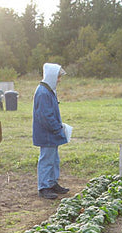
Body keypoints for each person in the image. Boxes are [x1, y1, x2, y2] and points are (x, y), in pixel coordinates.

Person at [32, 63, 69, 199]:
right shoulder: (43, 92)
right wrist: (57, 128)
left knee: (54, 159)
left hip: (51, 133)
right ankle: (44, 187)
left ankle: (52, 183)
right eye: (58, 77)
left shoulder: (48, 90)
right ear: (52, 76)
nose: (59, 80)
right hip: (46, 133)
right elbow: (45, 116)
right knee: (46, 159)